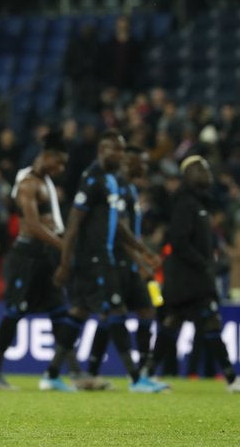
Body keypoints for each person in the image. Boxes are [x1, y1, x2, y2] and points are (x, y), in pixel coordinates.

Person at [47, 129, 167, 393]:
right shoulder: (92, 179)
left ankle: (54, 373)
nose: (122, 156)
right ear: (103, 150)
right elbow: (74, 223)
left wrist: (143, 250)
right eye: (118, 150)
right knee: (114, 313)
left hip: (107, 258)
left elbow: (119, 227)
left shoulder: (112, 181)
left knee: (81, 311)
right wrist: (66, 262)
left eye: (124, 151)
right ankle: (136, 379)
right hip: (94, 259)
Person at [141, 156, 240, 393]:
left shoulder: (199, 203)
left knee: (174, 324)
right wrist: (205, 264)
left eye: (206, 168)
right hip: (189, 279)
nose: (206, 172)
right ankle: (231, 378)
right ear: (188, 175)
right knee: (206, 321)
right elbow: (179, 241)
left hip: (189, 278)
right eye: (199, 169)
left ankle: (146, 374)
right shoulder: (186, 204)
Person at [0, 131, 74, 390]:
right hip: (26, 257)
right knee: (15, 311)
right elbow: (32, 225)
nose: (62, 168)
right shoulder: (28, 184)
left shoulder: (45, 183)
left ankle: (61, 373)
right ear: (47, 157)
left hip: (44, 257)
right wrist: (63, 245)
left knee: (59, 311)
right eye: (59, 162)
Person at [79, 145, 157, 390]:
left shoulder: (130, 188)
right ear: (129, 161)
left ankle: (140, 372)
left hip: (126, 260)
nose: (144, 166)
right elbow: (120, 231)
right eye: (140, 161)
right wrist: (141, 258)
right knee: (113, 313)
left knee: (141, 311)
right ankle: (134, 376)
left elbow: (128, 230)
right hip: (117, 261)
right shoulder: (117, 187)